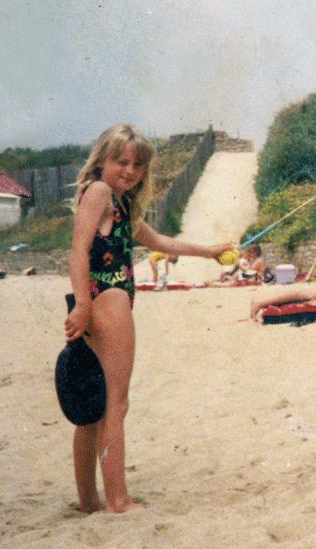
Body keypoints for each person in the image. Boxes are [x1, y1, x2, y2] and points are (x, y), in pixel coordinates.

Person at [63, 124, 232, 513]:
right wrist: (85, 306)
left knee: (92, 404)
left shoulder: (118, 204)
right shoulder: (101, 193)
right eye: (120, 161)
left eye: (137, 164)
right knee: (116, 404)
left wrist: (208, 252)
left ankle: (89, 500)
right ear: (102, 160)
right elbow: (77, 251)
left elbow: (160, 243)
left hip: (95, 299)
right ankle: (118, 501)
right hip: (108, 298)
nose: (129, 170)